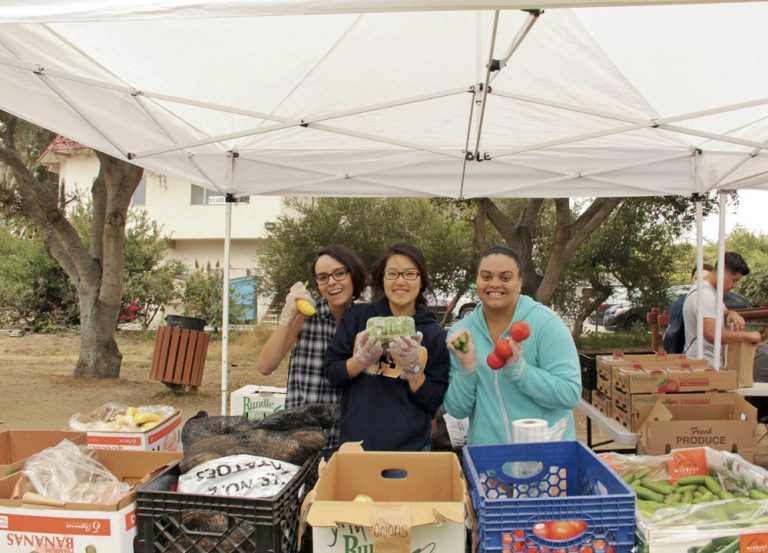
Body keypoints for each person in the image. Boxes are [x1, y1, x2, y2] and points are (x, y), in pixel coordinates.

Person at [443, 246, 581, 444]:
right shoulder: (463, 333)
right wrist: (468, 368)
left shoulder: (545, 323)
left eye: (505, 278)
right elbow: (456, 410)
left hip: (545, 458)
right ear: (477, 281)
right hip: (489, 460)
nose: (495, 284)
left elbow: (569, 394)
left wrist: (521, 372)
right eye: (486, 276)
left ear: (520, 283)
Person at [323, 242, 450, 451]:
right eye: (392, 274)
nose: (400, 281)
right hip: (358, 445)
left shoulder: (433, 333)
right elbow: (332, 373)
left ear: (421, 280)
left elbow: (432, 401)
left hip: (410, 448)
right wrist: (359, 361)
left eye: (409, 274)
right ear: (382, 278)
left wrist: (414, 370)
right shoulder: (357, 318)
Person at [258, 245, 367, 451]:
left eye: (339, 273)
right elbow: (265, 366)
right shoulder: (306, 316)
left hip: (352, 440)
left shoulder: (367, 319)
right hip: (304, 439)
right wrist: (286, 317)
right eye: (323, 277)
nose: (332, 282)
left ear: (353, 274)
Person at [682, 252, 761, 366]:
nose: (735, 285)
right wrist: (748, 335)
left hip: (707, 362)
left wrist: (731, 313)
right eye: (734, 280)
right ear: (722, 272)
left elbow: (721, 311)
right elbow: (712, 334)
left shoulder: (710, 292)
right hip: (703, 365)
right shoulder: (705, 295)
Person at [662, 263, 713, 354]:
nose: (699, 283)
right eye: (696, 279)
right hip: (687, 354)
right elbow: (672, 335)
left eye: (704, 280)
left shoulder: (711, 300)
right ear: (691, 280)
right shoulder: (680, 303)